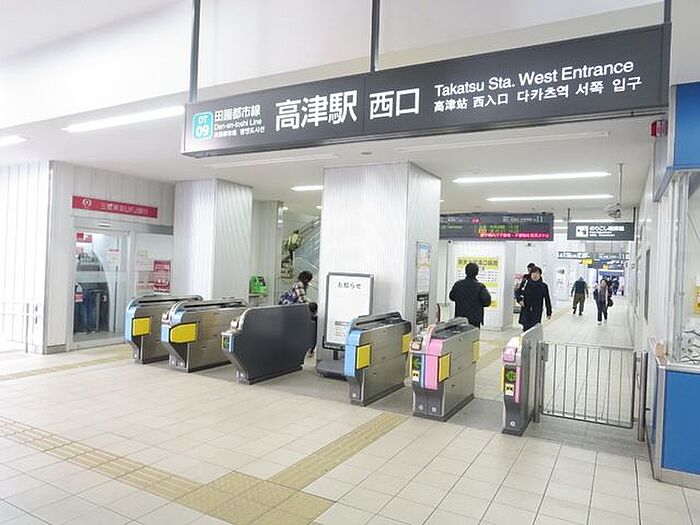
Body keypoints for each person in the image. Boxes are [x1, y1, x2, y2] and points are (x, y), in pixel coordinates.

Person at [449, 262, 492, 327]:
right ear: (477, 273)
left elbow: (452, 297)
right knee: (473, 333)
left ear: (465, 272)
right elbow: (487, 302)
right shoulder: (480, 287)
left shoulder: (458, 284)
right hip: (475, 318)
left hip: (460, 317)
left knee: (460, 332)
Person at [516, 266, 552, 331]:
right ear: (531, 274)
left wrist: (549, 312)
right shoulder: (526, 284)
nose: (535, 275)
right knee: (526, 328)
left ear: (540, 275)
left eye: (537, 273)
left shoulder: (543, 286)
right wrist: (519, 300)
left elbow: (547, 299)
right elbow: (517, 292)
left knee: (535, 329)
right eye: (533, 273)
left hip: (536, 311)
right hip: (526, 310)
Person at [515, 263, 536, 328]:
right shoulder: (526, 277)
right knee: (525, 323)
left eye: (531, 271)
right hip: (525, 303)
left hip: (534, 305)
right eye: (528, 270)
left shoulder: (538, 279)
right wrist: (519, 300)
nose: (529, 272)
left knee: (533, 324)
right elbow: (519, 290)